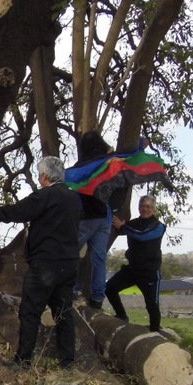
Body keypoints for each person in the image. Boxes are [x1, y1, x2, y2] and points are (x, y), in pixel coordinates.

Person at [0, 155, 81, 368]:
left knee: (30, 311)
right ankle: (67, 361)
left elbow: (19, 211)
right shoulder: (74, 198)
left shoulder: (45, 196)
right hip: (68, 263)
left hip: (45, 264)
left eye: (40, 174)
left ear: (44, 176)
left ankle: (24, 360)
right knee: (64, 313)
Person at [106, 194, 166, 331]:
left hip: (149, 272)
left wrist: (124, 227)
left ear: (154, 209)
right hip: (132, 269)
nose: (145, 209)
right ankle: (122, 316)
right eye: (143, 206)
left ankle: (155, 331)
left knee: (152, 305)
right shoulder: (131, 224)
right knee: (109, 288)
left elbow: (143, 235)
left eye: (149, 206)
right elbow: (119, 228)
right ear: (139, 208)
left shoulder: (159, 227)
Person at [71, 131, 113, 309]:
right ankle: (97, 298)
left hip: (86, 217)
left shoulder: (82, 166)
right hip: (104, 216)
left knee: (70, 252)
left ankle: (73, 290)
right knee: (99, 259)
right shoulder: (108, 163)